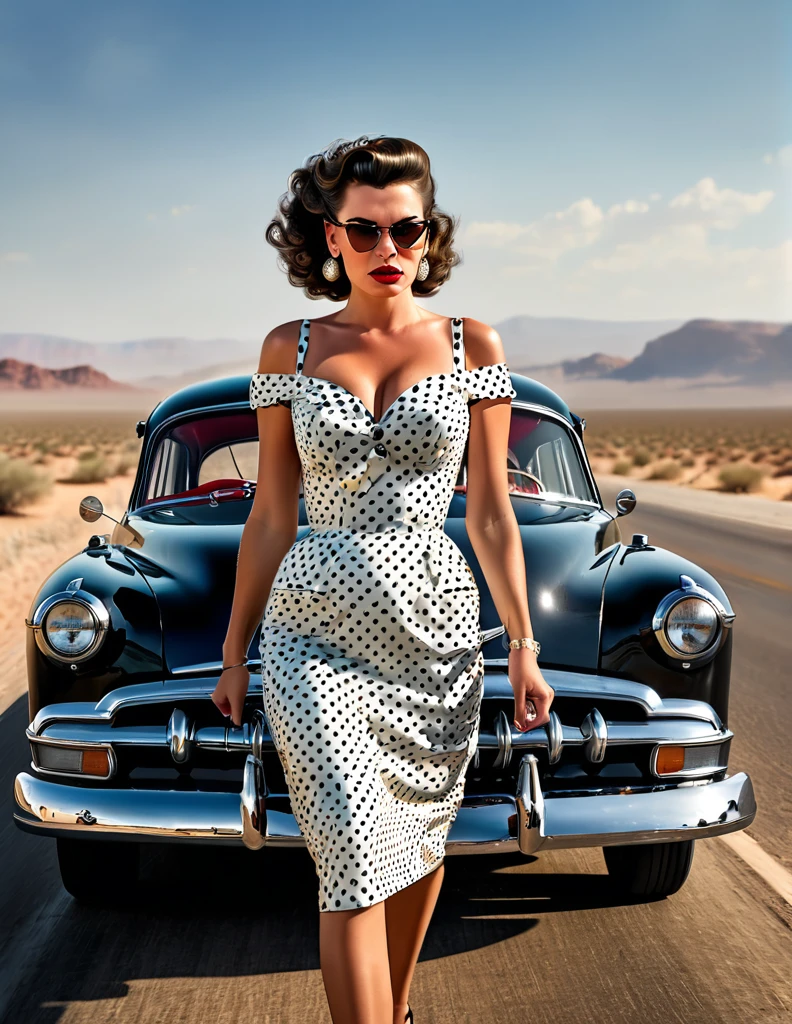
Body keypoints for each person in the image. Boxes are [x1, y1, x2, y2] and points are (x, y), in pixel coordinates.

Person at [212, 135, 554, 1024]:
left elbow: (489, 515)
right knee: (354, 856)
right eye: (364, 232)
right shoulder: (288, 348)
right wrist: (233, 649)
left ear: (431, 232)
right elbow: (272, 516)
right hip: (312, 639)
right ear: (329, 237)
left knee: (415, 844)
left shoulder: (472, 341)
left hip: (435, 637)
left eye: (408, 229)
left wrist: (522, 647)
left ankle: (396, 1011)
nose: (388, 251)